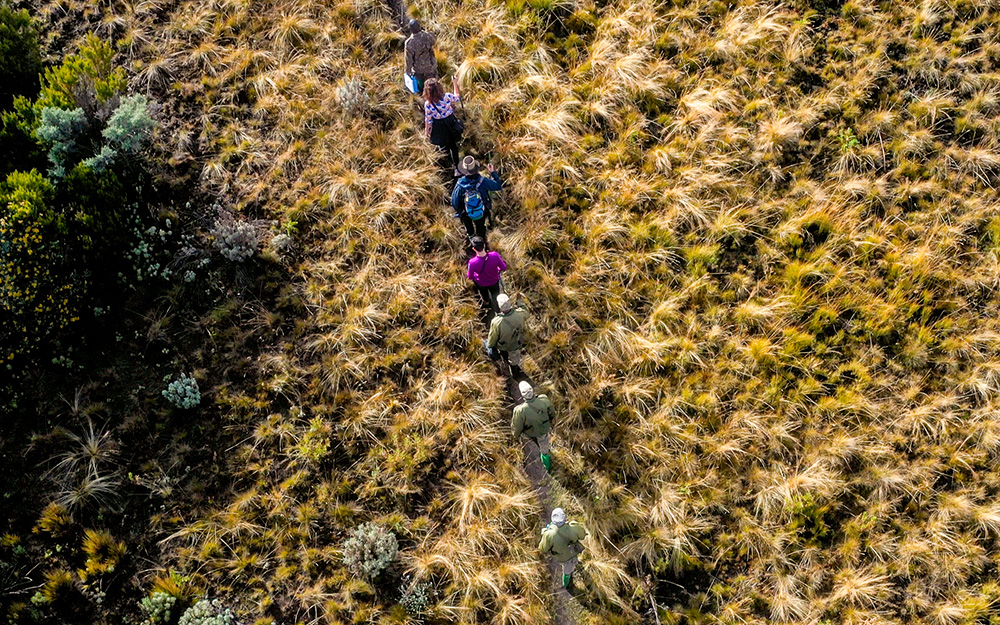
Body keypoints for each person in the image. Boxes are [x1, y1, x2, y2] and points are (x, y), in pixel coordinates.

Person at [452, 156, 502, 240]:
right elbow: (498, 186)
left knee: (469, 228)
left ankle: (471, 238)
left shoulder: (460, 184)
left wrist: (460, 211)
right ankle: (481, 242)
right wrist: (493, 172)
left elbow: (454, 201)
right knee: (480, 227)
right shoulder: (483, 181)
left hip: (466, 212)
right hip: (481, 211)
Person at [539, 508, 588, 588]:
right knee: (568, 571)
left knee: (567, 569)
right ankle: (567, 583)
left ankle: (566, 584)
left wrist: (544, 532)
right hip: (572, 553)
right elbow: (582, 535)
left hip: (562, 558)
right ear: (565, 518)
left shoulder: (549, 534)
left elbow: (543, 548)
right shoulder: (573, 528)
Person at [512, 381, 554, 471]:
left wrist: (515, 435)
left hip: (529, 433)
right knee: (544, 448)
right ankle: (547, 466)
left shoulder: (519, 410)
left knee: (532, 440)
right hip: (543, 430)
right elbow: (552, 413)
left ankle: (535, 447)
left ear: (522, 395)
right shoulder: (544, 399)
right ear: (532, 391)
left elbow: (517, 427)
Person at [424, 77, 462, 172]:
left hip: (438, 127)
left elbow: (428, 120)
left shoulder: (428, 104)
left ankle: (450, 168)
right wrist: (454, 83)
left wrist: (427, 132)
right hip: (450, 122)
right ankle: (457, 166)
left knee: (444, 147)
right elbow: (457, 97)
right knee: (453, 146)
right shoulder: (447, 97)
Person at [485, 293, 527, 378]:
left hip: (503, 345)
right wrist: (519, 300)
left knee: (487, 344)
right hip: (516, 344)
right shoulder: (520, 314)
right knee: (515, 360)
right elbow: (525, 310)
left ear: (499, 306)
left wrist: (490, 345)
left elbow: (492, 340)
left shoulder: (496, 322)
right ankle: (515, 373)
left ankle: (502, 363)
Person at [467, 236, 506, 316]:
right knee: (495, 295)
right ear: (484, 245)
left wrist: (476, 275)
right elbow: (503, 267)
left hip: (481, 283)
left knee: (484, 294)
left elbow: (470, 276)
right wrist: (497, 269)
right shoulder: (494, 255)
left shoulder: (472, 262)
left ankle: (487, 302)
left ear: (474, 249)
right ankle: (497, 309)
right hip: (494, 281)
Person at [404, 20, 437, 93]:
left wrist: (408, 72)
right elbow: (434, 41)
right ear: (419, 27)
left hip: (418, 70)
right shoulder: (427, 36)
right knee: (433, 87)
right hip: (430, 66)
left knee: (422, 89)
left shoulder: (409, 43)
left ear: (410, 30)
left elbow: (408, 60)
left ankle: (424, 99)